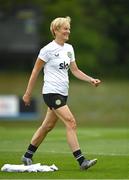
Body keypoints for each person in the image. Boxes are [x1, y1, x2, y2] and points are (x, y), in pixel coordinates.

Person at [21, 16, 101, 170]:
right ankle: (81, 161)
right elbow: (35, 71)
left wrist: (90, 79)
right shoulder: (47, 50)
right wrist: (27, 93)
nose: (68, 31)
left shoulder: (69, 49)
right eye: (65, 28)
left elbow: (75, 70)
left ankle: (27, 155)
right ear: (56, 30)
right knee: (71, 122)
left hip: (63, 94)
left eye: (68, 28)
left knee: (47, 126)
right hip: (51, 93)